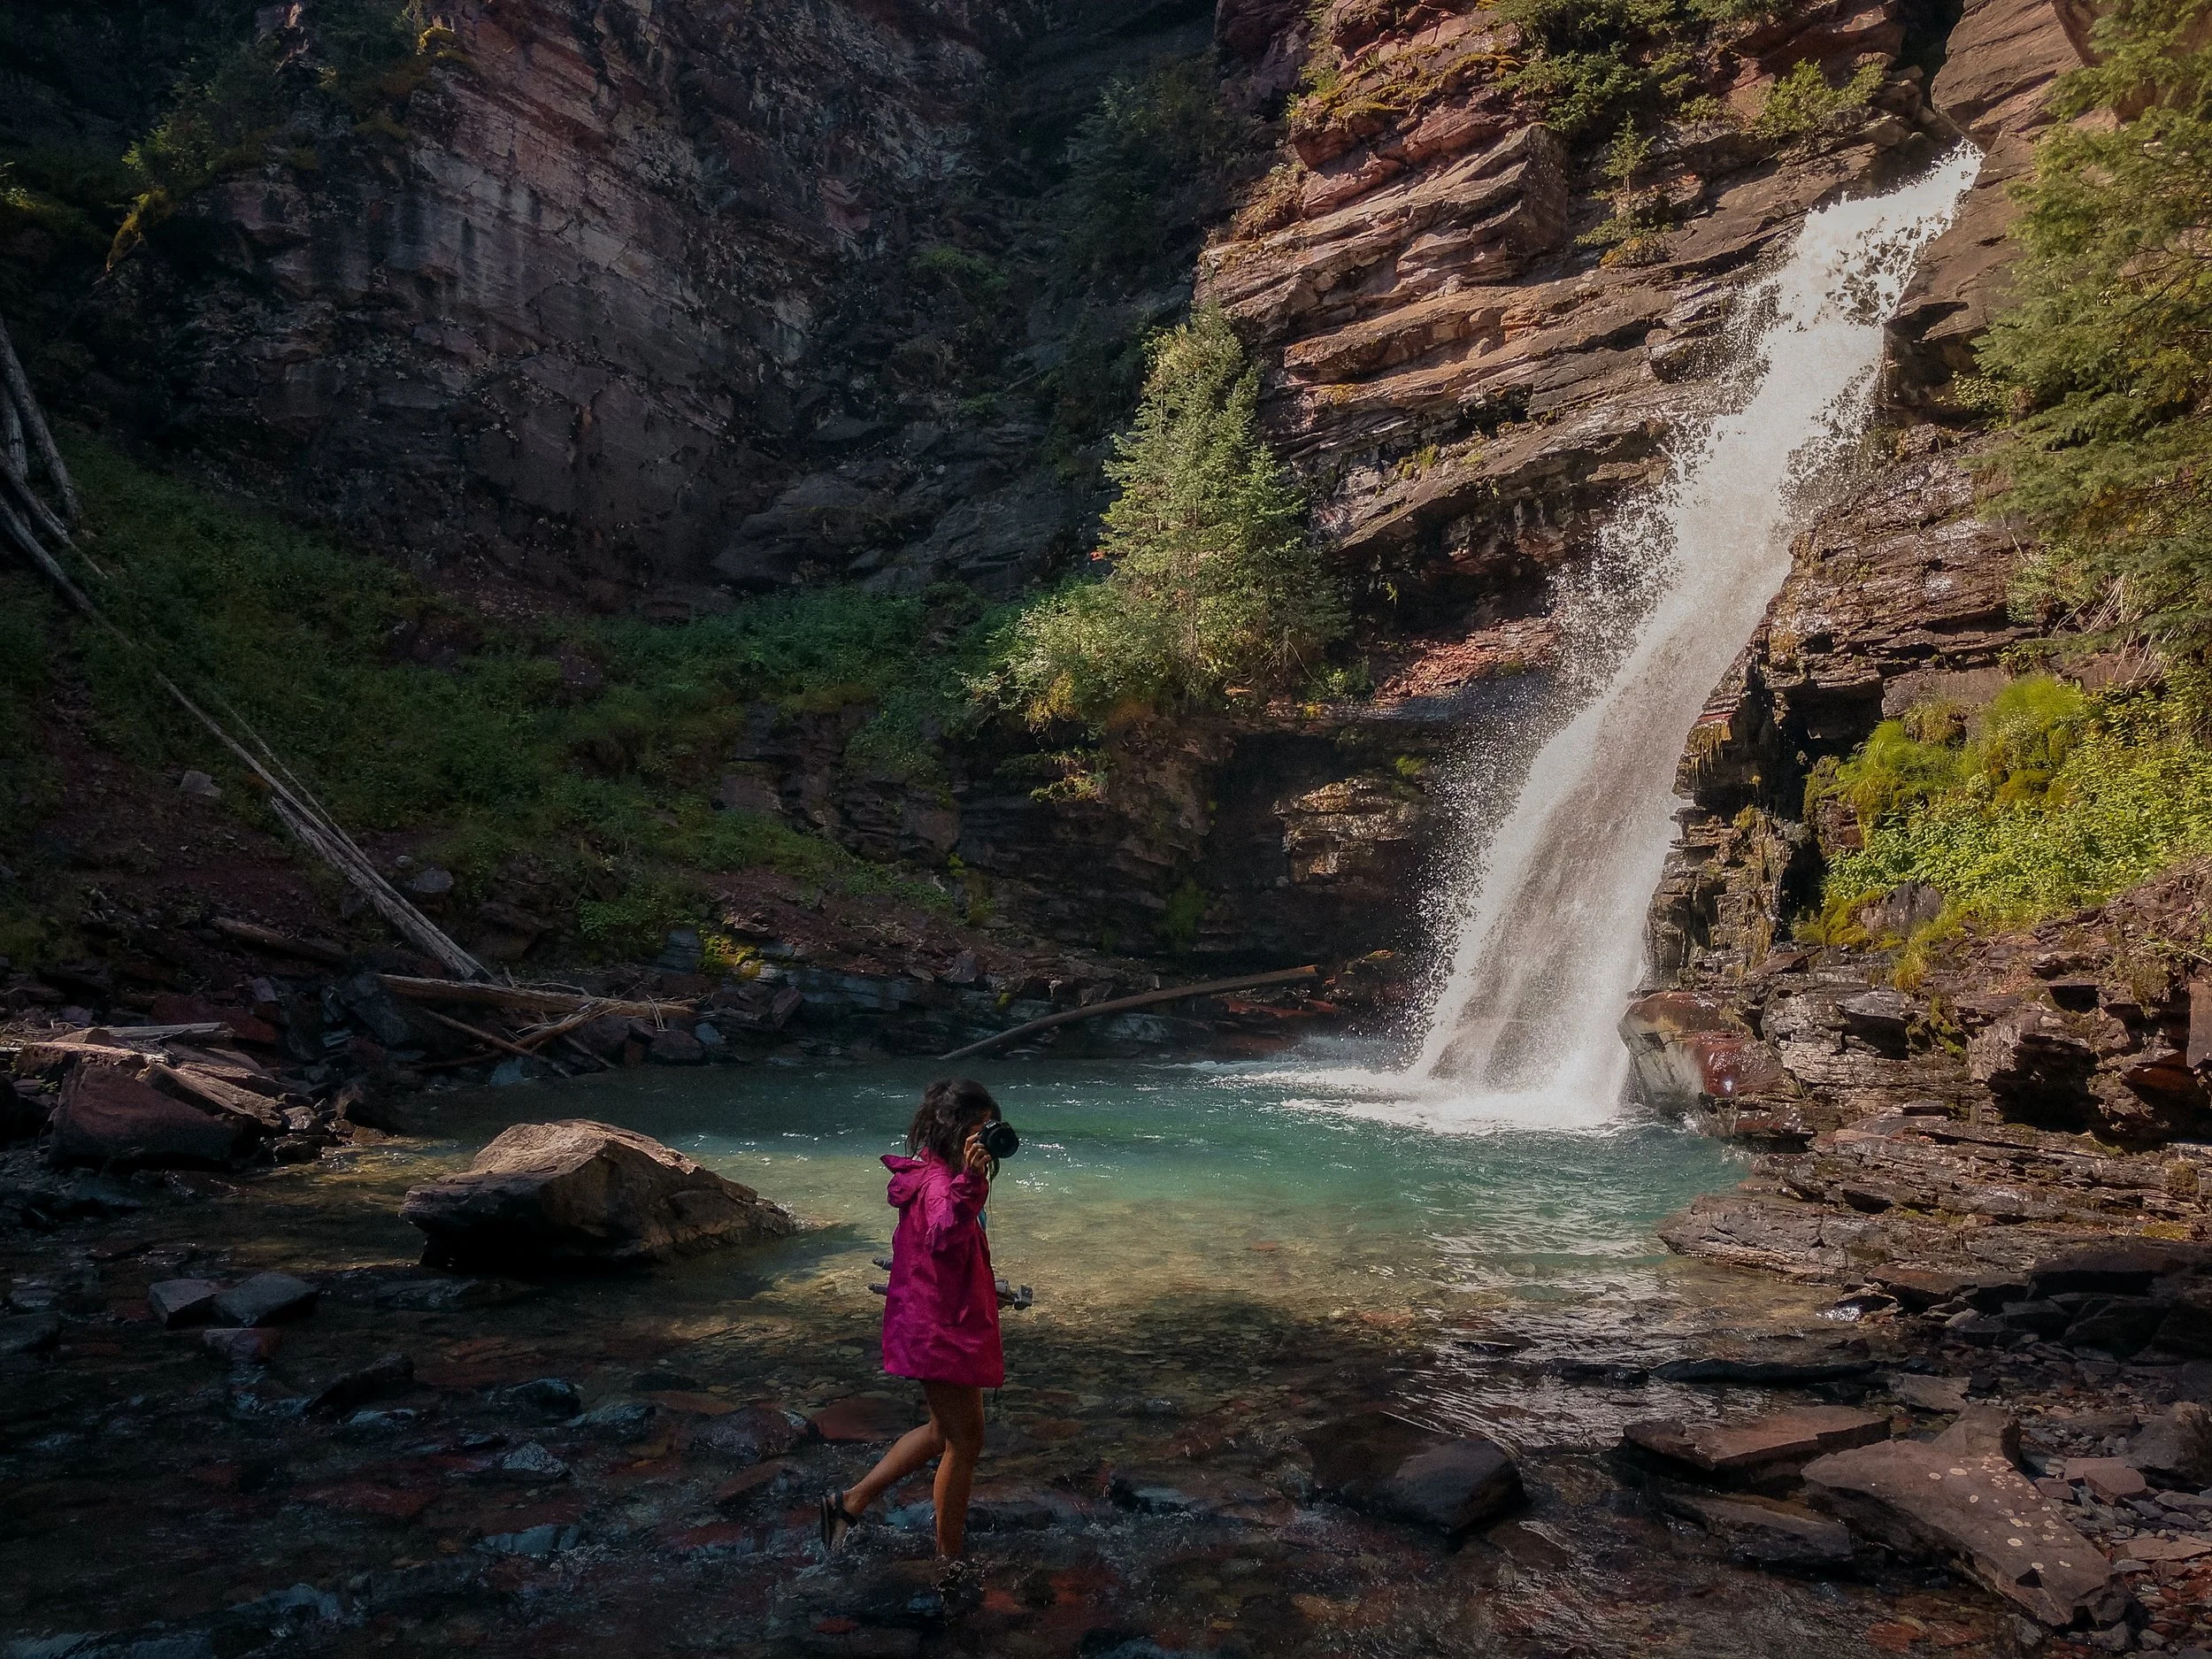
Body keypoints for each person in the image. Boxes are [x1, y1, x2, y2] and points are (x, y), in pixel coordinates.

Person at [821, 1077, 1005, 1584]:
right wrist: (972, 1181)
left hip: (931, 1319)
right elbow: (945, 1233)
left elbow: (948, 1249)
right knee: (965, 1441)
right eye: (977, 1129)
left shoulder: (932, 1170)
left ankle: (848, 1502)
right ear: (953, 1132)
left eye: (989, 1128)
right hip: (938, 1330)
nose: (986, 1139)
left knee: (942, 1432)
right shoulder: (942, 1184)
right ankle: (950, 1563)